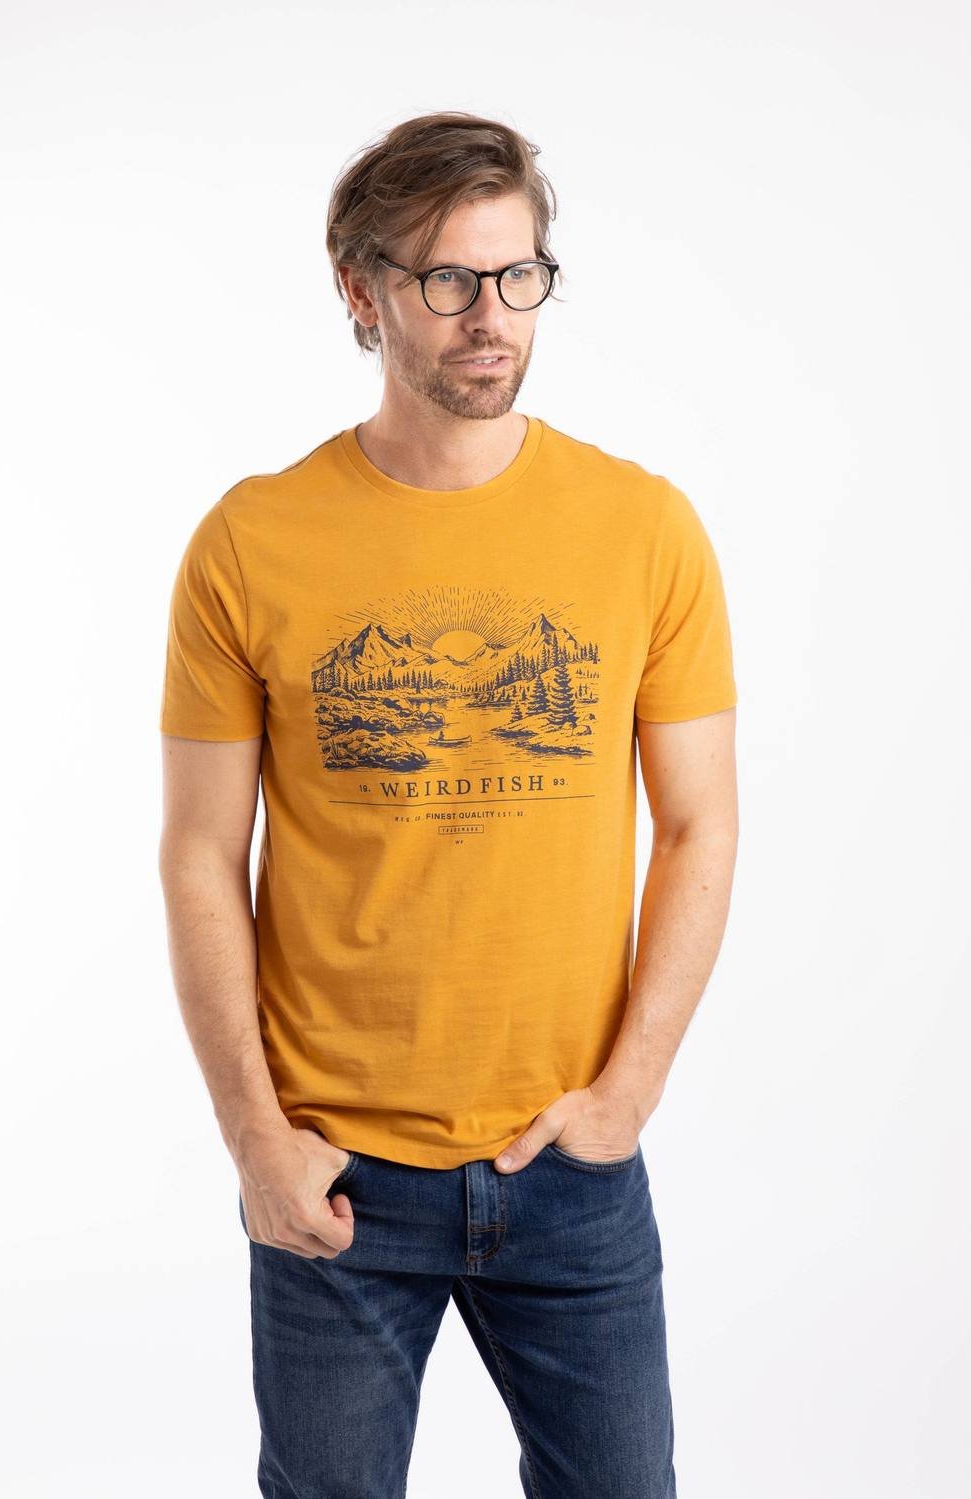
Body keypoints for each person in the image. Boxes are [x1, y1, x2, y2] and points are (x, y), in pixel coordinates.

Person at [158, 110, 738, 1499]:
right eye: (448, 280)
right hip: (338, 1180)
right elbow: (198, 857)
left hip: (570, 1167)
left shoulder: (645, 527)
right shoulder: (250, 541)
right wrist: (257, 1143)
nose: (492, 317)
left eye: (519, 274)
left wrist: (626, 1098)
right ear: (359, 291)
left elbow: (701, 825)